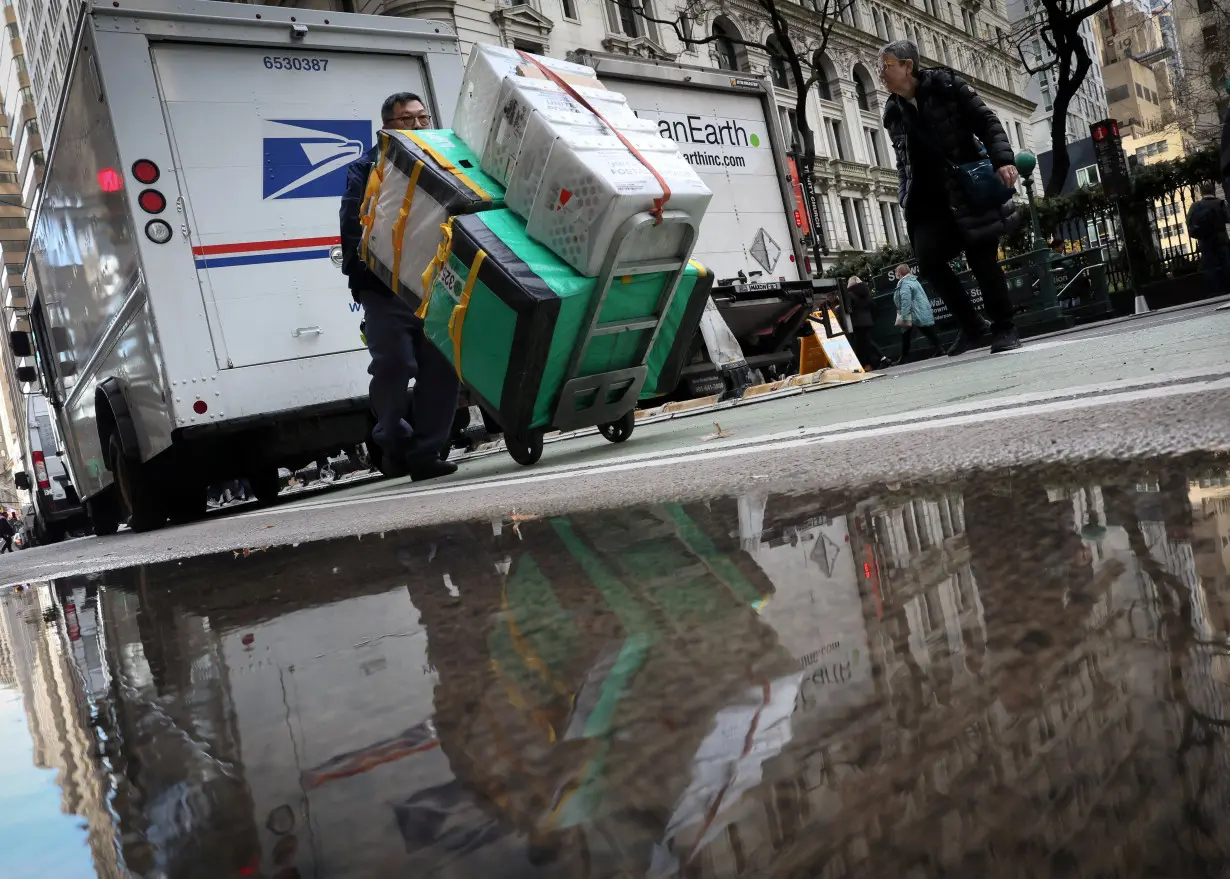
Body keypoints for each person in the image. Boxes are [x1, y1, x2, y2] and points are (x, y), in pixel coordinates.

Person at [340, 92, 459, 481]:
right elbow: (352, 223)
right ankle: (391, 433)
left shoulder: (445, 160)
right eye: (408, 120)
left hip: (436, 285)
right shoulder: (368, 167)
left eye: (423, 118)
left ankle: (426, 454)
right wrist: (360, 280)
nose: (419, 126)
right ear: (388, 127)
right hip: (385, 287)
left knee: (442, 369)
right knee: (396, 364)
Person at [879, 39, 1022, 356]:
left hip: (967, 188)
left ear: (907, 66)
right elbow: (903, 162)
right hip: (929, 201)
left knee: (981, 258)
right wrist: (905, 197)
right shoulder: (893, 112)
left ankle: (1004, 327)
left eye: (886, 66)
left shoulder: (947, 85)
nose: (881, 73)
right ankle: (973, 327)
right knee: (929, 260)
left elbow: (987, 120)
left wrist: (1003, 159)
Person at [1185, 181, 1230, 297]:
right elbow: (1227, 218)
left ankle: (1214, 291)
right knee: (1226, 265)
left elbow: (1189, 221)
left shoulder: (1195, 206)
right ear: (1213, 191)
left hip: (1205, 241)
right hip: (1221, 240)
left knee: (1210, 267)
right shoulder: (1220, 203)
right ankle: (1227, 288)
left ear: (1202, 193)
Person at [893, 264, 942, 361]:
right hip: (918, 310)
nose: (896, 275)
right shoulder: (913, 280)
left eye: (897, 273)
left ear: (899, 273)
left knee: (905, 334)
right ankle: (940, 348)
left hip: (912, 313)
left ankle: (903, 357)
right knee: (926, 331)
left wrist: (904, 316)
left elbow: (906, 301)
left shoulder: (905, 283)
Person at [844, 276, 892, 368]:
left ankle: (882, 358)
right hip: (868, 321)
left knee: (865, 343)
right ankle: (872, 362)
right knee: (865, 342)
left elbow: (848, 308)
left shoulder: (850, 294)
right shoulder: (866, 293)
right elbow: (873, 306)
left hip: (857, 322)